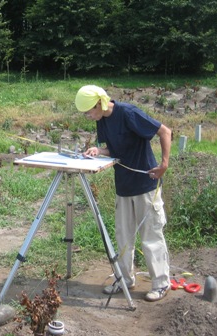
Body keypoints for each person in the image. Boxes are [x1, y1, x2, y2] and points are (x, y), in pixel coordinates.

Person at [74, 85, 172, 302]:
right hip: (124, 185)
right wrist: (98, 151)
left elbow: (165, 131)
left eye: (89, 111)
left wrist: (164, 164)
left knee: (151, 237)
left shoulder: (128, 113)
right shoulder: (102, 121)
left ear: (99, 103)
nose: (88, 116)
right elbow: (114, 150)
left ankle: (161, 283)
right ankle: (125, 279)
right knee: (123, 236)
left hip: (146, 184)